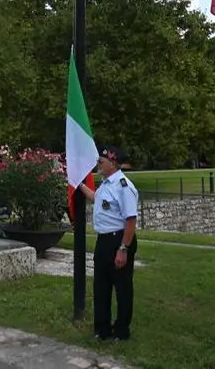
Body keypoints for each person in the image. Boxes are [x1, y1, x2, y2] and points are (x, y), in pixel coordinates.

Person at [73, 145, 139, 341]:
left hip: (118, 240)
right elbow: (97, 199)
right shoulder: (106, 183)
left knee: (122, 288)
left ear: (114, 163)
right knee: (101, 287)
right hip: (103, 240)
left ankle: (121, 331)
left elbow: (131, 220)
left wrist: (123, 249)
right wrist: (79, 185)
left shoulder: (124, 186)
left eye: (102, 161)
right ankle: (102, 330)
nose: (98, 164)